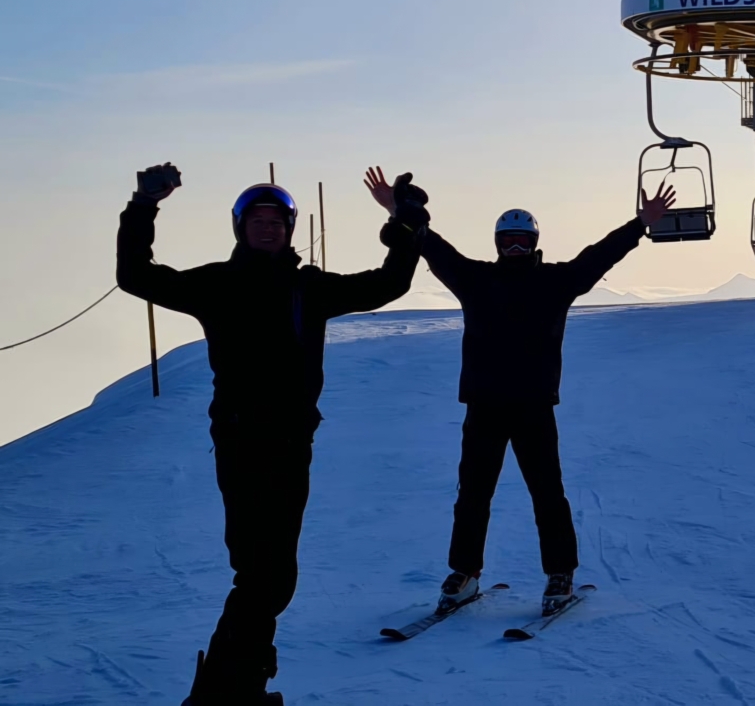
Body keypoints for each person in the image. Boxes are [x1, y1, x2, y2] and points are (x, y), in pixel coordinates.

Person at [117, 164, 428, 706]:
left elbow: (389, 284)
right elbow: (136, 276)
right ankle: (226, 690)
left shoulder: (309, 287)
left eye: (277, 222)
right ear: (241, 228)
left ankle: (239, 683)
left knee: (271, 575)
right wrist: (143, 207)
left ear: (289, 229)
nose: (268, 229)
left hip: (292, 443)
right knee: (262, 573)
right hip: (241, 440)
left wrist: (404, 222)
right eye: (258, 221)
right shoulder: (215, 284)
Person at [363, 167, 674, 616]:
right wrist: (397, 209)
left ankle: (560, 573)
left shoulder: (556, 282)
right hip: (484, 406)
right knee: (472, 495)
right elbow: (433, 246)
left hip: (533, 407)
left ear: (534, 243)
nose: (514, 248)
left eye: (521, 241)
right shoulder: (473, 279)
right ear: (497, 243)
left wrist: (640, 224)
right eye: (507, 241)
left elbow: (598, 257)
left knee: (547, 493)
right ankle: (465, 573)